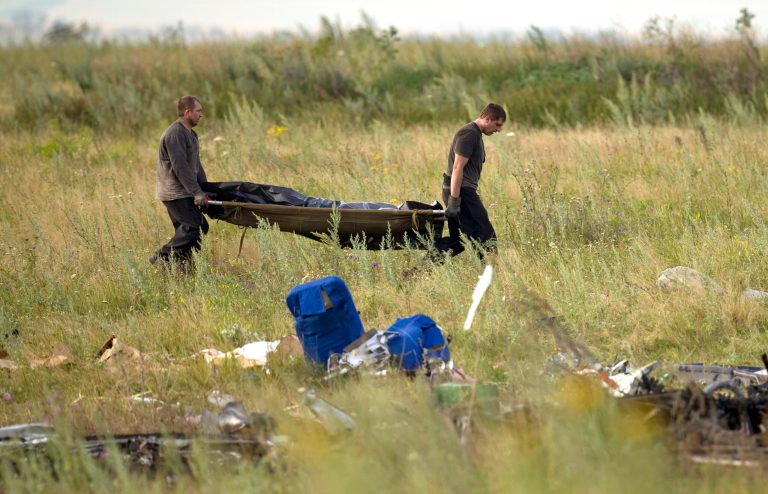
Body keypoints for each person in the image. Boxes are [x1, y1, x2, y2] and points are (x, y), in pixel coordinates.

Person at [434, 103, 506, 258]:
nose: (499, 130)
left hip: (460, 190)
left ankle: (415, 275)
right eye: (497, 124)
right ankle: (491, 273)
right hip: (461, 192)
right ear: (487, 119)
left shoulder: (476, 134)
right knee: (486, 235)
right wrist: (454, 201)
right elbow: (457, 168)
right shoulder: (469, 134)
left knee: (457, 241)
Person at [151, 96, 210, 266]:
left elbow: (195, 164)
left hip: (186, 190)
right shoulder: (175, 133)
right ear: (187, 112)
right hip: (174, 192)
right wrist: (197, 192)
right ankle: (160, 259)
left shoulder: (192, 134)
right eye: (198, 111)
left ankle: (183, 266)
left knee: (190, 230)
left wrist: (204, 188)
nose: (201, 115)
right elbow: (180, 167)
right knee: (195, 229)